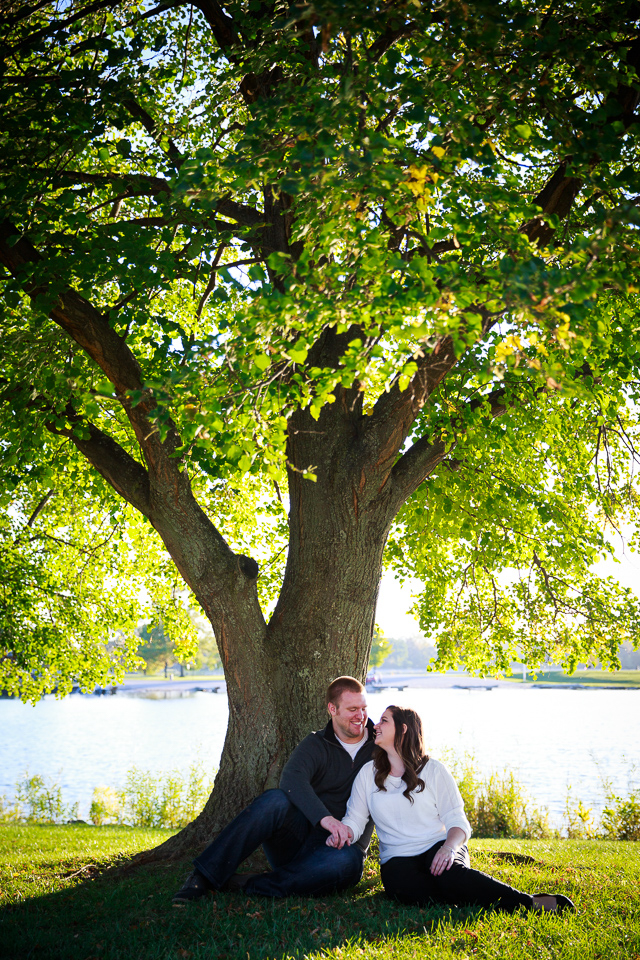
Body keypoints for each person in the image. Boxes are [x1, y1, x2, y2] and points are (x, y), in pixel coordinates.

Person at [331, 705, 575, 915]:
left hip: (437, 846)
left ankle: (530, 902)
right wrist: (343, 832)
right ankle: (467, 893)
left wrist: (449, 849)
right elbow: (355, 819)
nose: (376, 725)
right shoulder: (368, 774)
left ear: (403, 729)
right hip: (397, 858)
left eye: (384, 720)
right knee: (407, 892)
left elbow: (458, 821)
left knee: (450, 876)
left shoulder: (434, 770)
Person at [172, 676, 375, 903]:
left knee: (347, 862)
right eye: (353, 709)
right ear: (332, 709)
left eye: (364, 708)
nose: (361, 716)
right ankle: (203, 876)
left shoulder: (381, 744)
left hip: (342, 848)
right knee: (275, 800)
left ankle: (249, 884)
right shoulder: (317, 743)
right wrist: (325, 819)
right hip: (300, 841)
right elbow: (291, 780)